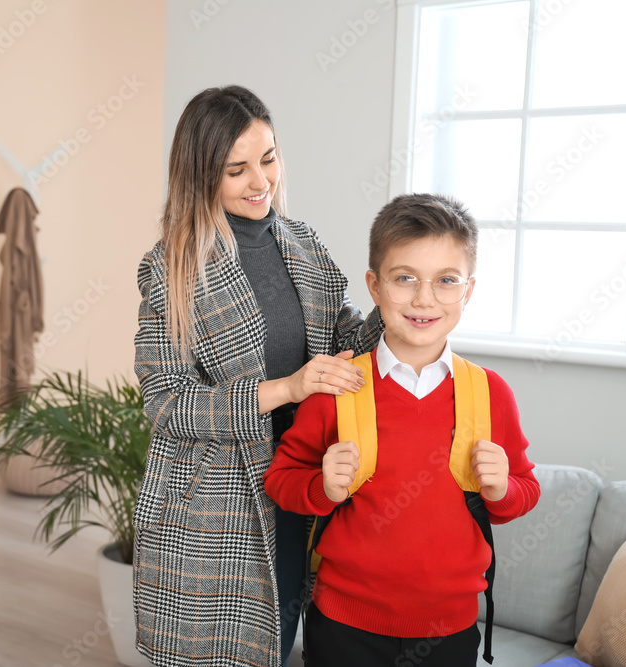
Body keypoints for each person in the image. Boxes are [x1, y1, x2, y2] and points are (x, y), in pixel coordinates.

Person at [132, 85, 384, 667]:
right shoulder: (171, 267)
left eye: (268, 159)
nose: (260, 181)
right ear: (201, 178)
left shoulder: (303, 244)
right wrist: (289, 388)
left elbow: (343, 343)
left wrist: (398, 303)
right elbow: (166, 403)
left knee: (276, 645)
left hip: (297, 487)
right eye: (236, 170)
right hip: (212, 510)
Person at [263, 193, 541, 667]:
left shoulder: (490, 393)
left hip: (448, 634)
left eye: (446, 281)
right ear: (374, 285)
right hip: (341, 627)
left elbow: (525, 490)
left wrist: (502, 489)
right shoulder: (339, 386)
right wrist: (321, 486)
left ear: (468, 291)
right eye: (404, 278)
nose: (424, 298)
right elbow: (281, 479)